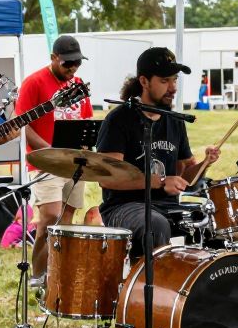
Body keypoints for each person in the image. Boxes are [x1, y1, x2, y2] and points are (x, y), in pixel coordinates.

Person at [96, 47, 219, 258]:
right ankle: (155, 288)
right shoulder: (119, 119)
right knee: (155, 224)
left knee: (211, 221)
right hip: (124, 207)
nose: (172, 88)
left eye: (174, 80)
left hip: (167, 206)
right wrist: (161, 181)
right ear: (144, 82)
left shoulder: (175, 121)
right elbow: (108, 179)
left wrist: (205, 164)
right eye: (164, 81)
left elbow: (185, 178)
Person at [15, 34, 93, 287]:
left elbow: (86, 118)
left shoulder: (78, 84)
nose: (72, 69)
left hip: (74, 161)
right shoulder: (34, 82)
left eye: (77, 64)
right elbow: (22, 125)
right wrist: (49, 151)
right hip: (45, 162)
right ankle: (38, 275)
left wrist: (85, 146)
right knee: (50, 215)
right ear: (53, 58)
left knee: (68, 218)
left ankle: (58, 273)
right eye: (67, 64)